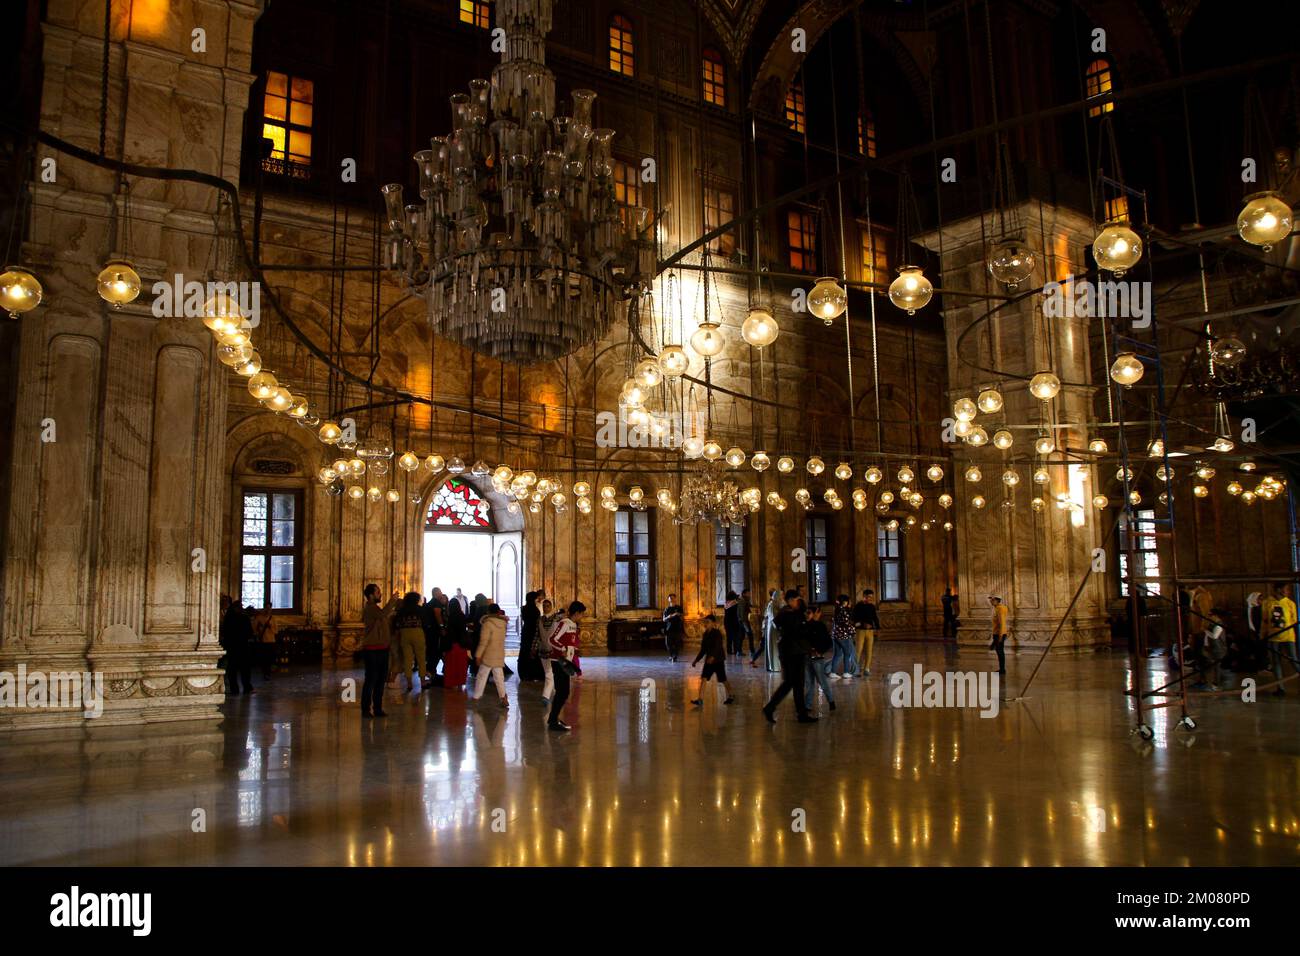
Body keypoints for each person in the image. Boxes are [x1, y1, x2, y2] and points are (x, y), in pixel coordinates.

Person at [761, 589, 817, 724]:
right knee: (793, 683)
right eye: (798, 600)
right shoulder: (789, 614)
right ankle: (772, 708)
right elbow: (798, 632)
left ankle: (800, 713)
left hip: (790, 651)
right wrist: (808, 621)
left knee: (794, 683)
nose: (799, 602)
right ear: (791, 600)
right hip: (793, 652)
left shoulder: (786, 613)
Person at [361, 584, 400, 718]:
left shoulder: (376, 609)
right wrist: (392, 600)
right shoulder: (370, 608)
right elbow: (383, 614)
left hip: (382, 649)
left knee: (380, 680)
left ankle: (378, 708)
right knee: (371, 680)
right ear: (371, 595)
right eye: (378, 592)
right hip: (371, 650)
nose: (380, 594)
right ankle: (366, 709)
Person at [547, 601, 586, 732]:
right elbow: (552, 639)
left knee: (564, 692)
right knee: (562, 692)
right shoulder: (564, 623)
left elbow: (570, 642)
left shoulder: (573, 625)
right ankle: (553, 721)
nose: (582, 617)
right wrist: (562, 649)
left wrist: (574, 650)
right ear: (577, 613)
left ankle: (553, 719)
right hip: (558, 661)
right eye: (582, 614)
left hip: (565, 661)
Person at [1262, 583, 1299, 695]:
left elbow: (1294, 620)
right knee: (1276, 662)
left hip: (1288, 636)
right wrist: (1263, 634)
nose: (1288, 591)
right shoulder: (1267, 603)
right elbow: (1264, 620)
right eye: (1286, 589)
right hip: (1273, 637)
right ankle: (1280, 688)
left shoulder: (1290, 603)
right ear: (1278, 590)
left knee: (1293, 660)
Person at [690, 614, 734, 705]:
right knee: (704, 678)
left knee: (723, 679)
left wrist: (713, 657)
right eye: (705, 622)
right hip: (709, 661)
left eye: (708, 622)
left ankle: (731, 695)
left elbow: (718, 647)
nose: (706, 624)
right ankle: (700, 699)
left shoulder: (717, 633)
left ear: (713, 623)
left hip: (718, 660)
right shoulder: (705, 634)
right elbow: (703, 649)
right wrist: (696, 660)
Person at [471, 604, 509, 707]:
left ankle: (476, 698)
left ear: (488, 612)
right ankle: (503, 698)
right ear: (498, 612)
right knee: (499, 677)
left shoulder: (487, 623)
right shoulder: (503, 623)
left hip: (488, 654)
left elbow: (484, 641)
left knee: (481, 676)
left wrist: (478, 655)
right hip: (499, 652)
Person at [391, 591, 428, 693]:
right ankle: (423, 682)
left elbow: (396, 623)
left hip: (404, 634)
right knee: (421, 658)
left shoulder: (402, 610)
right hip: (417, 632)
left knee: (408, 659)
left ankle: (409, 683)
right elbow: (425, 622)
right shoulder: (419, 609)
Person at [219, 598, 256, 696]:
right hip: (243, 646)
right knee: (245, 669)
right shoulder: (244, 618)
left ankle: (234, 689)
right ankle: (247, 687)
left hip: (232, 647)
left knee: (232, 669)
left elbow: (225, 633)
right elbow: (250, 633)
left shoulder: (228, 618)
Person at [803, 605, 835, 713]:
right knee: (809, 683)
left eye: (809, 612)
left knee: (822, 681)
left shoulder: (820, 626)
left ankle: (831, 701)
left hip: (817, 658)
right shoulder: (804, 625)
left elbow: (827, 642)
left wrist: (819, 650)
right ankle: (807, 705)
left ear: (816, 613)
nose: (807, 615)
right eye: (806, 612)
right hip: (806, 657)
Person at [1192, 607, 1227, 691]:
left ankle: (1216, 684)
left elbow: (1214, 636)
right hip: (1210, 649)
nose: (1209, 617)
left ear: (1216, 616)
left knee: (1216, 667)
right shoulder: (1212, 624)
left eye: (1210, 615)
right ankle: (1206, 681)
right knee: (1207, 665)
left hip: (1217, 649)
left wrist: (1205, 630)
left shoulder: (1219, 625)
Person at [517, 589, 546, 681]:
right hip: (533, 632)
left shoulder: (523, 608)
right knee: (534, 651)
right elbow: (537, 622)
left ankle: (524, 673)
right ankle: (535, 673)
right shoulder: (535, 610)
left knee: (525, 651)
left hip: (526, 631)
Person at [851, 589, 881, 677]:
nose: (870, 599)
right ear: (864, 596)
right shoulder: (858, 606)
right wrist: (863, 623)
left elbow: (875, 617)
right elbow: (854, 618)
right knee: (858, 650)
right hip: (860, 630)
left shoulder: (872, 606)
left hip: (870, 631)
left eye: (871, 597)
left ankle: (867, 668)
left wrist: (878, 628)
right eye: (868, 597)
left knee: (869, 650)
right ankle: (855, 669)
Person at [539, 604, 564, 705]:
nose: (545, 608)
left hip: (554, 650)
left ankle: (545, 696)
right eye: (544, 606)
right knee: (548, 672)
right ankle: (552, 691)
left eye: (548, 606)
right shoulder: (540, 620)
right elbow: (537, 635)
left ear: (551, 607)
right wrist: (534, 648)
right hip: (543, 649)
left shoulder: (557, 619)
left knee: (549, 673)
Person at [829, 594, 857, 679]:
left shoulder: (837, 610)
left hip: (836, 635)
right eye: (849, 601)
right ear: (845, 602)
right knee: (847, 654)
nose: (850, 603)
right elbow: (846, 625)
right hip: (844, 636)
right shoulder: (844, 611)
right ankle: (846, 672)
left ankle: (833, 672)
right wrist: (853, 630)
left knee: (837, 654)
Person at [753, 587, 782, 668]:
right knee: (768, 646)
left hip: (769, 626)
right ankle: (774, 665)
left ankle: (770, 665)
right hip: (771, 627)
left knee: (768, 646)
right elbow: (770, 617)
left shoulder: (772, 603)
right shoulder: (772, 604)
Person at [251, 605, 277, 680]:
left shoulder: (273, 618)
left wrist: (270, 627)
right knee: (263, 658)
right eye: (266, 608)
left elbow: (276, 631)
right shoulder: (259, 618)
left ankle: (268, 673)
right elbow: (254, 628)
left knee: (269, 658)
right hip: (262, 640)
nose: (267, 610)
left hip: (271, 640)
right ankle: (265, 672)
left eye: (269, 608)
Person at [989, 595, 1009, 675]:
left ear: (997, 600)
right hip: (998, 633)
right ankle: (1002, 669)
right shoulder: (999, 608)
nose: (991, 601)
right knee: (999, 651)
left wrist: (1000, 636)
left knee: (1000, 652)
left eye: (992, 600)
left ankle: (1002, 670)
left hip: (999, 634)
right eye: (991, 599)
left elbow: (1002, 623)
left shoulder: (1000, 609)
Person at [663, 595, 685, 662]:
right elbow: (664, 619)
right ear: (668, 600)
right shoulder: (667, 609)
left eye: (673, 598)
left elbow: (683, 617)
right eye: (670, 598)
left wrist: (679, 615)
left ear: (675, 599)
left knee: (677, 644)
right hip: (669, 629)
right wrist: (669, 616)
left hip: (677, 628)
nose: (671, 599)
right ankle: (671, 655)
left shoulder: (679, 608)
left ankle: (675, 656)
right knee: (668, 644)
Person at [723, 591, 744, 657]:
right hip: (734, 622)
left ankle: (729, 651)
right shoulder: (735, 603)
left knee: (729, 637)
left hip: (727, 622)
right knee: (736, 637)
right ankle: (736, 650)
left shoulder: (726, 603)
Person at [738, 588, 756, 659]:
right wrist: (744, 623)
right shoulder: (742, 601)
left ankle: (739, 651)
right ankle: (752, 651)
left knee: (742, 636)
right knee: (750, 635)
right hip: (744, 621)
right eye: (748, 593)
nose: (749, 595)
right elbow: (742, 613)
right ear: (744, 594)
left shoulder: (745, 601)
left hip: (743, 621)